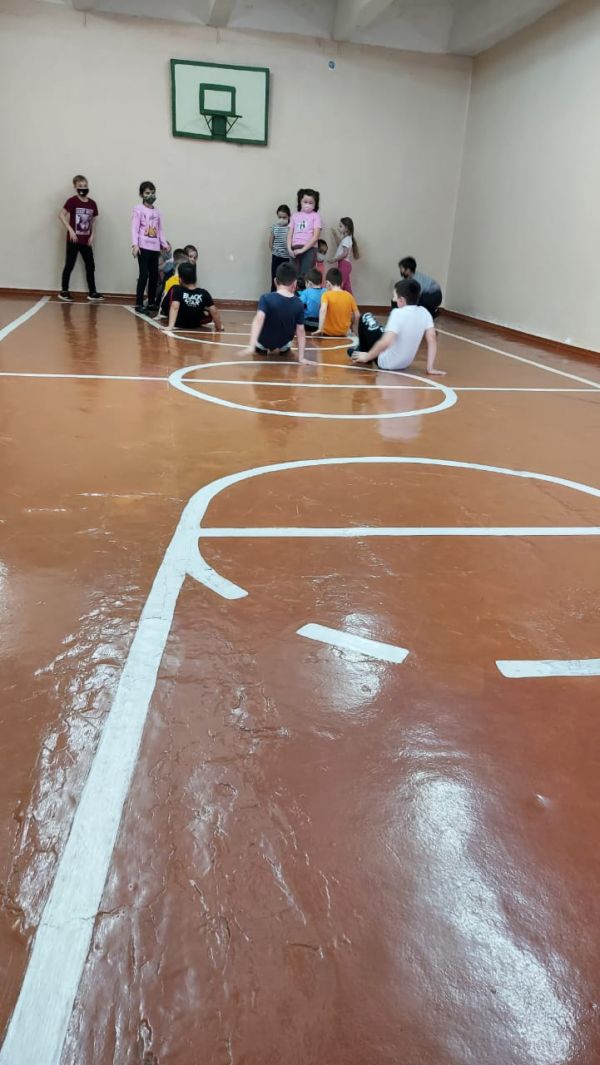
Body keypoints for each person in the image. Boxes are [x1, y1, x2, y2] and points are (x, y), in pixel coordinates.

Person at [350, 279, 445, 375]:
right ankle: (362, 351)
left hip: (385, 362)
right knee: (383, 330)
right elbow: (432, 339)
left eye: (394, 296)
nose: (393, 300)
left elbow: (386, 342)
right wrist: (430, 368)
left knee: (366, 316)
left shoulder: (397, 313)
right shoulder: (425, 312)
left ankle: (362, 351)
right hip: (404, 363)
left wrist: (367, 356)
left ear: (401, 300)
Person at [240, 261, 306, 360]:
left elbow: (258, 320)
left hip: (263, 341)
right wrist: (301, 358)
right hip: (283, 342)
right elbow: (300, 331)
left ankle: (261, 348)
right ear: (295, 283)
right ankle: (284, 349)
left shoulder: (265, 298)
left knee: (260, 346)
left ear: (275, 281)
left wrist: (251, 345)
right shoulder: (299, 303)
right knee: (287, 343)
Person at [58, 174, 103, 302]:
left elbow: (93, 220)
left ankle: (92, 292)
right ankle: (64, 291)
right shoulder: (72, 201)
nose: (83, 188)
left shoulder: (92, 203)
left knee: (90, 265)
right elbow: (61, 215)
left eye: (85, 185)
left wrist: (93, 234)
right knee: (69, 264)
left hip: (86, 241)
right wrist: (70, 230)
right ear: (75, 187)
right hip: (74, 240)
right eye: (80, 186)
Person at [131, 180, 170, 313]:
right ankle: (139, 303)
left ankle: (152, 302)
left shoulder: (158, 212)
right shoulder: (138, 209)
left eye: (152, 192)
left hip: (155, 248)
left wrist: (164, 244)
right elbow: (134, 228)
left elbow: (160, 230)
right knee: (144, 275)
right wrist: (135, 244)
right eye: (147, 193)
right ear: (141, 194)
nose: (150, 195)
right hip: (143, 247)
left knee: (154, 275)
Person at [166, 261, 223, 331]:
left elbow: (175, 307)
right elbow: (214, 311)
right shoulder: (204, 293)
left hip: (179, 323)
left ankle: (168, 318)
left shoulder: (176, 289)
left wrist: (170, 326)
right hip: (195, 323)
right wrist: (219, 327)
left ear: (180, 279)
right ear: (195, 278)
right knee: (208, 311)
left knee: (173, 292)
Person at [315, 267, 359, 338]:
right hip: (344, 333)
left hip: (328, 333)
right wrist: (353, 327)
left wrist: (320, 328)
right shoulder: (349, 296)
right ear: (341, 283)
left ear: (328, 283)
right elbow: (357, 315)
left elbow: (323, 310)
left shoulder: (326, 295)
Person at [287, 188, 322, 278]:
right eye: (305, 202)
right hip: (294, 249)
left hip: (309, 248)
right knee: (293, 275)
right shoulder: (294, 216)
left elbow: (316, 236)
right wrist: (289, 249)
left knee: (306, 276)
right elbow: (289, 235)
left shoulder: (316, 216)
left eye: (311, 203)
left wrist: (303, 250)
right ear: (300, 201)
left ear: (315, 204)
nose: (307, 204)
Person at [157, 248, 189, 318]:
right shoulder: (171, 280)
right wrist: (160, 312)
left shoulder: (186, 280)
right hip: (172, 309)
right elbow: (164, 297)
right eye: (186, 267)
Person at [331, 217, 359, 293]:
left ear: (346, 228)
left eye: (340, 226)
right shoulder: (346, 239)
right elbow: (339, 245)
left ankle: (338, 300)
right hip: (344, 264)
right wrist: (335, 235)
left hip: (344, 264)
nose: (339, 228)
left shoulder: (347, 239)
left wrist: (334, 259)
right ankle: (351, 300)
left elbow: (345, 254)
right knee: (346, 287)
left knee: (339, 285)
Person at [269, 204, 291, 291]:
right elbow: (271, 240)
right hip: (276, 256)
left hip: (287, 258)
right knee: (275, 277)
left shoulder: (290, 227)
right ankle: (273, 295)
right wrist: (273, 250)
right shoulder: (275, 226)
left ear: (289, 216)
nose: (281, 219)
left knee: (286, 279)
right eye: (279, 217)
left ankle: (285, 295)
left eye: (284, 217)